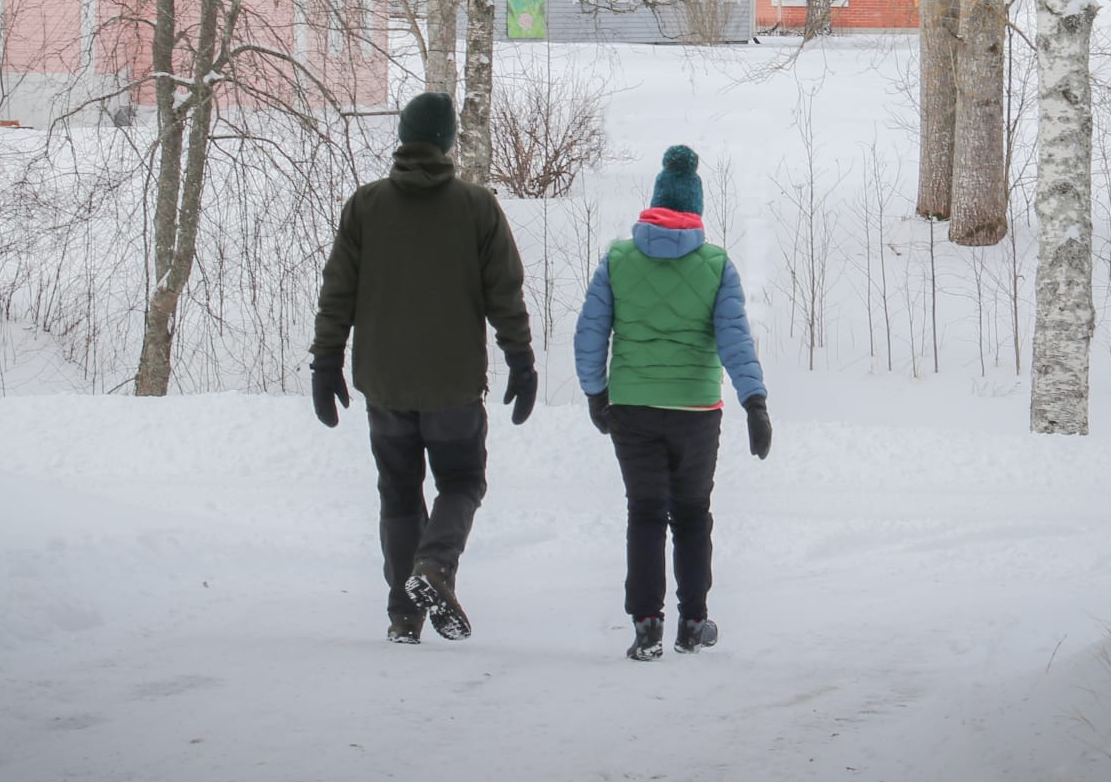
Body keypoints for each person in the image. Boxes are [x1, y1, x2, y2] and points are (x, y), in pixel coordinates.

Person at [311, 92, 537, 644]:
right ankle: (434, 565)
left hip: (384, 383)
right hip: (453, 384)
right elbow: (504, 293)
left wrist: (326, 361)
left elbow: (337, 292)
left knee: (398, 490)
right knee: (461, 481)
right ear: (448, 142)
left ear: (403, 138)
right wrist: (520, 359)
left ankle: (402, 616)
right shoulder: (477, 207)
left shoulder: (366, 206)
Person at [574, 144, 771, 661]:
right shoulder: (716, 265)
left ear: (654, 205)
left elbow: (590, 332)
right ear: (696, 211)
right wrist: (754, 401)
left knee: (644, 511)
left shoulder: (618, 259)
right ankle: (693, 622)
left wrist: (596, 392)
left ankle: (645, 625)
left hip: (633, 408)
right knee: (690, 514)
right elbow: (735, 337)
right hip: (695, 413)